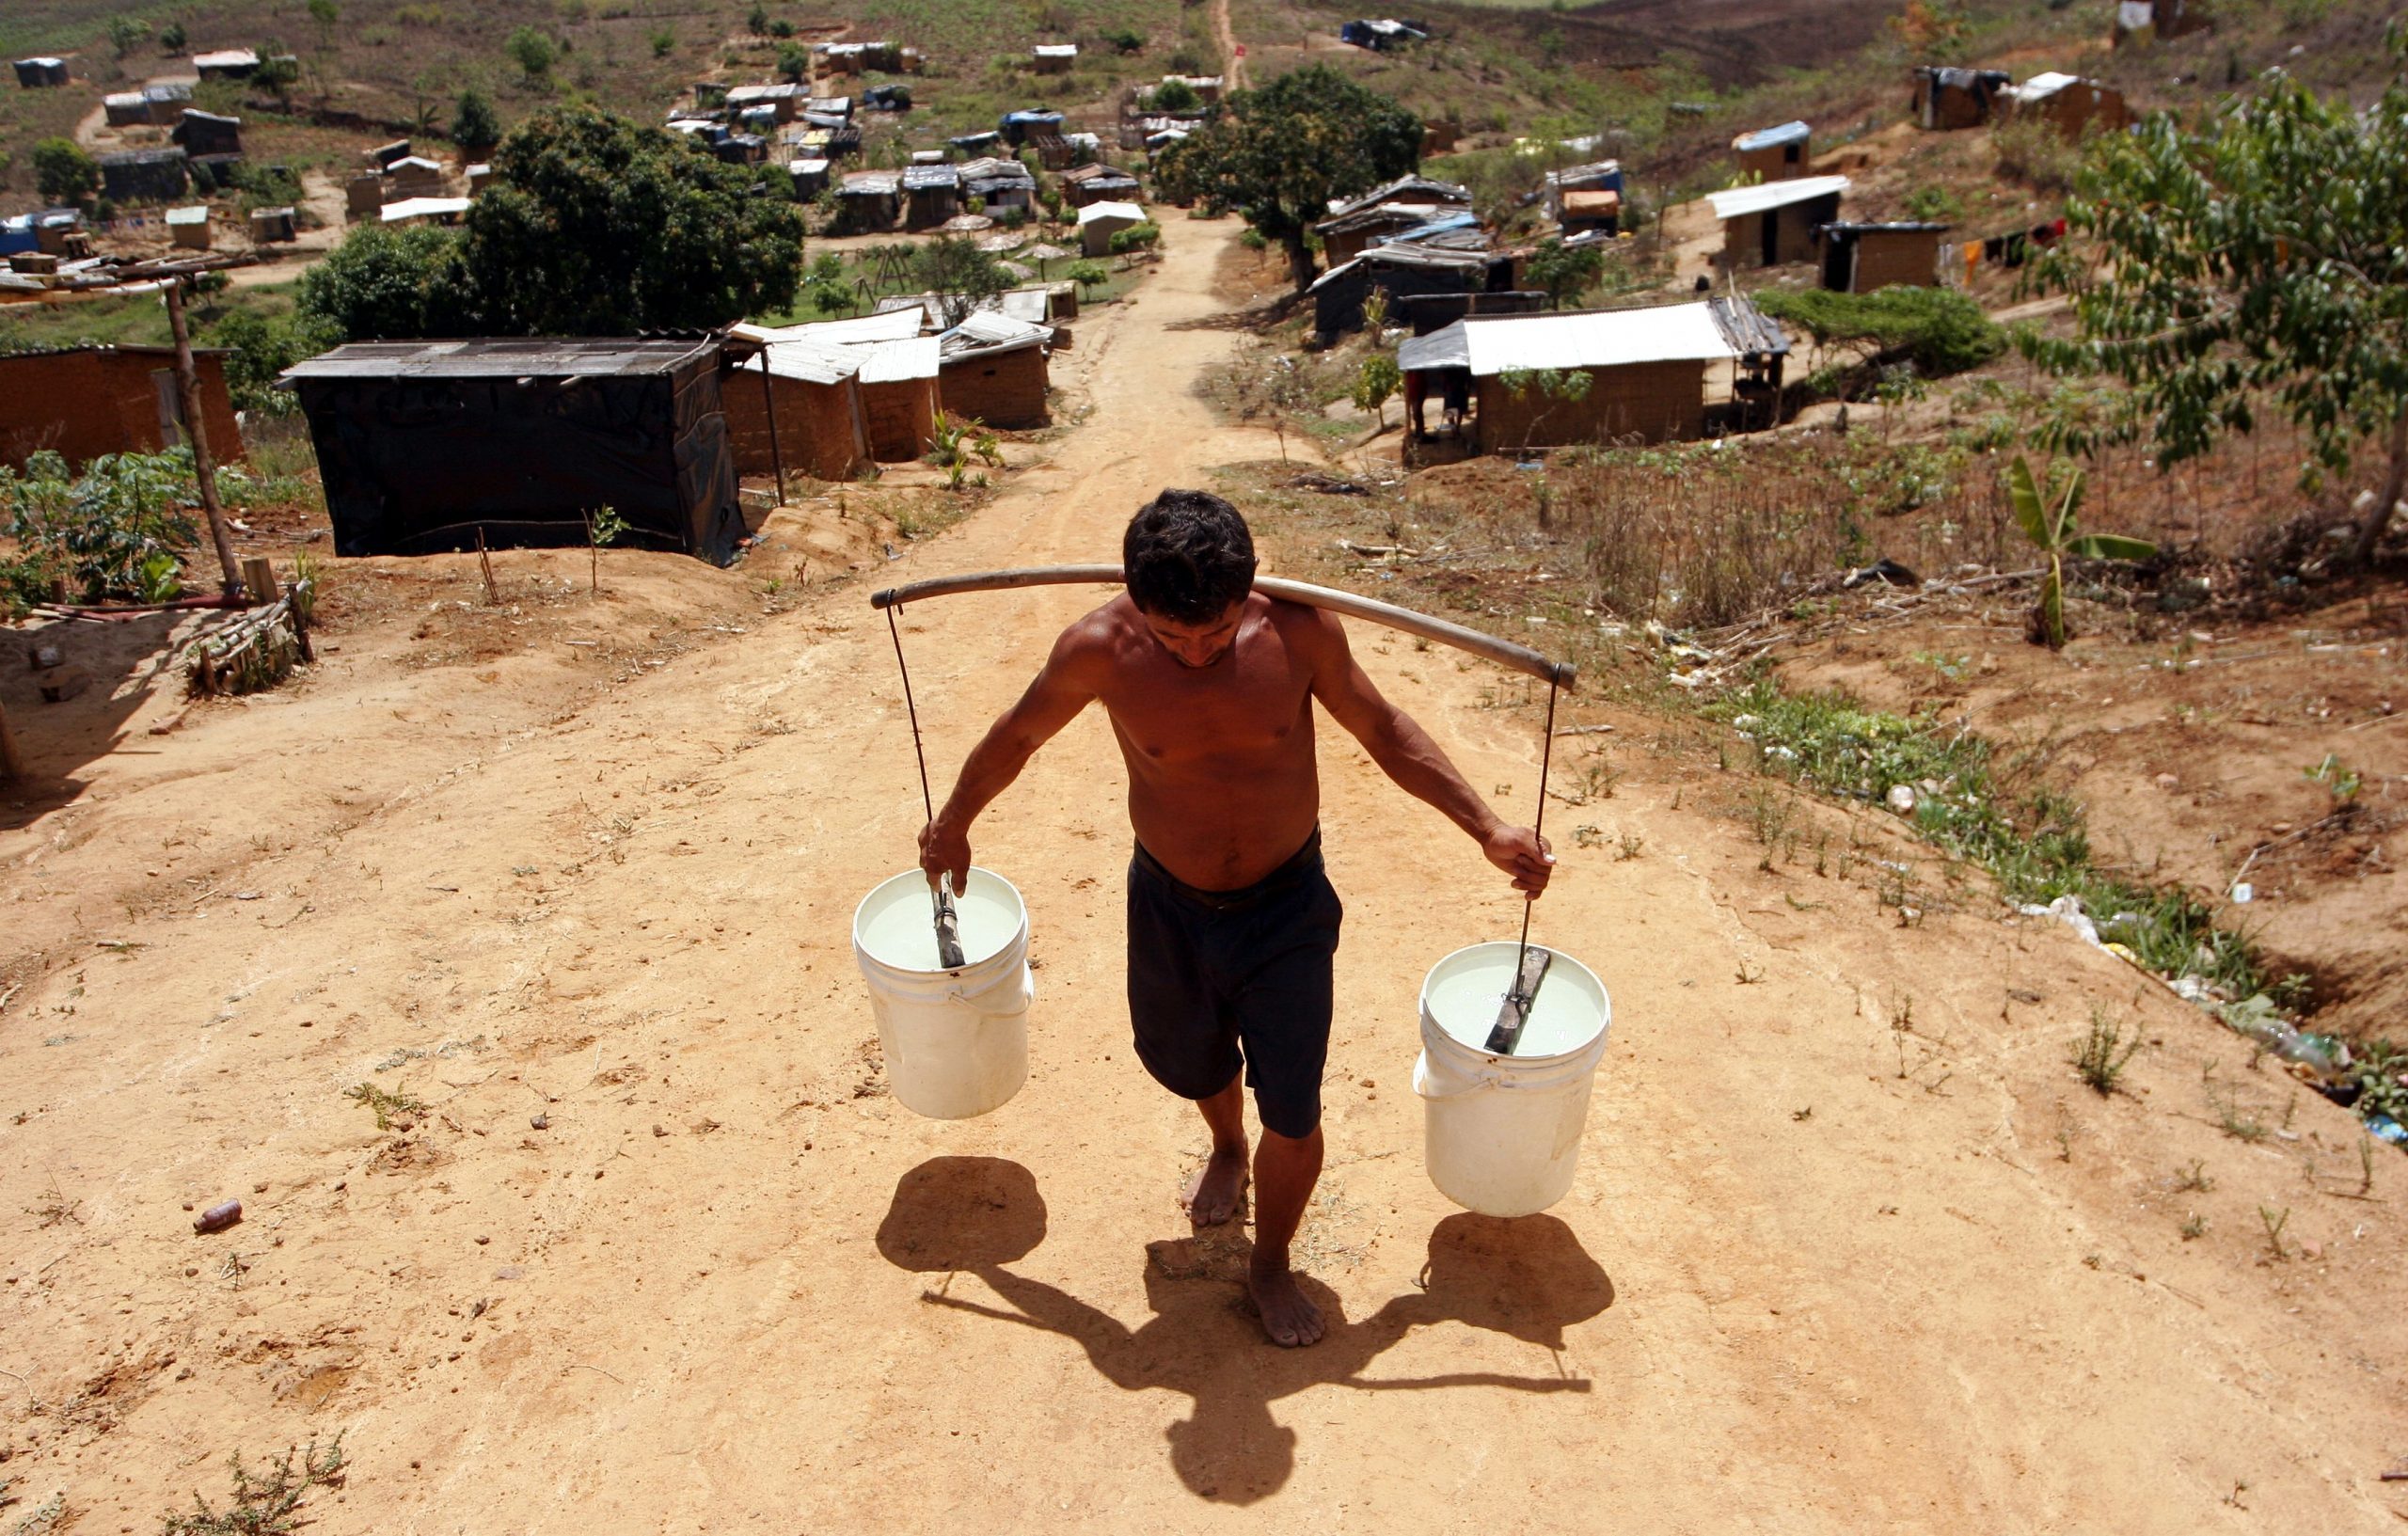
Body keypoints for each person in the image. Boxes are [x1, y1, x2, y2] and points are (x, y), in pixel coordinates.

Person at [917, 490, 1553, 1347]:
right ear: (1138, 603)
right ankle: (1225, 1145)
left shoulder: (1299, 634)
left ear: (1246, 596)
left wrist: (1487, 825)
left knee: (1292, 1107)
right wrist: (954, 818)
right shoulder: (1098, 650)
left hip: (1286, 904)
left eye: (1212, 635)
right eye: (1172, 636)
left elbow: (1383, 727)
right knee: (1194, 1056)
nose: (1193, 652)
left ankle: (1271, 1262)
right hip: (1170, 902)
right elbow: (1017, 736)